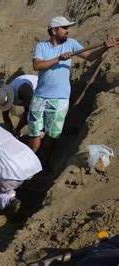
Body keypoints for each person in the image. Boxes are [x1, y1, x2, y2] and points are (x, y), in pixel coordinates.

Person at [29, 16, 117, 168]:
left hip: (60, 98)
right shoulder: (41, 47)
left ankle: (44, 161)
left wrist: (104, 48)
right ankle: (31, 161)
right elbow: (37, 66)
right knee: (35, 133)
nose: (67, 31)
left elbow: (89, 57)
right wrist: (59, 58)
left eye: (67, 28)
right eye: (64, 28)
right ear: (53, 30)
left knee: (52, 134)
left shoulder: (71, 44)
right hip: (40, 97)